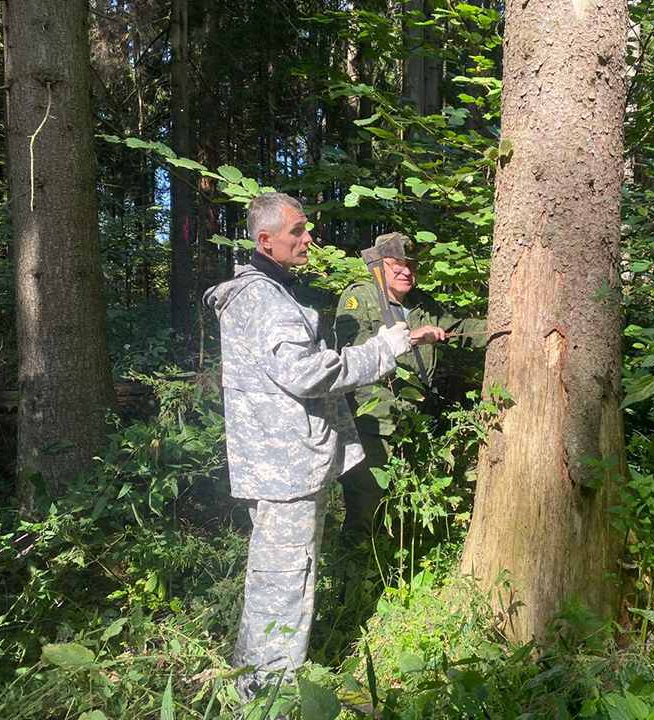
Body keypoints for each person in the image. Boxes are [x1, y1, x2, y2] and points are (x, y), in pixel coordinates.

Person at [202, 194, 442, 700]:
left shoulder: (268, 294)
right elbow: (309, 374)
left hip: (286, 463)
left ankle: (256, 686)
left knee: (279, 579)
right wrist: (390, 346)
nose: (309, 239)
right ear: (265, 240)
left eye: (306, 229)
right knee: (285, 585)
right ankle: (271, 697)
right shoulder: (263, 298)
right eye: (297, 231)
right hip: (285, 469)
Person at [334, 232, 487, 543]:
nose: (406, 271)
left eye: (412, 266)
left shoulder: (422, 304)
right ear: (376, 266)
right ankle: (354, 579)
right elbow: (352, 348)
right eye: (397, 264)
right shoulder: (358, 299)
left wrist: (507, 327)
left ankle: (399, 571)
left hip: (415, 421)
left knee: (410, 505)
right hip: (372, 424)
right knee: (367, 505)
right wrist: (413, 336)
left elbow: (459, 329)